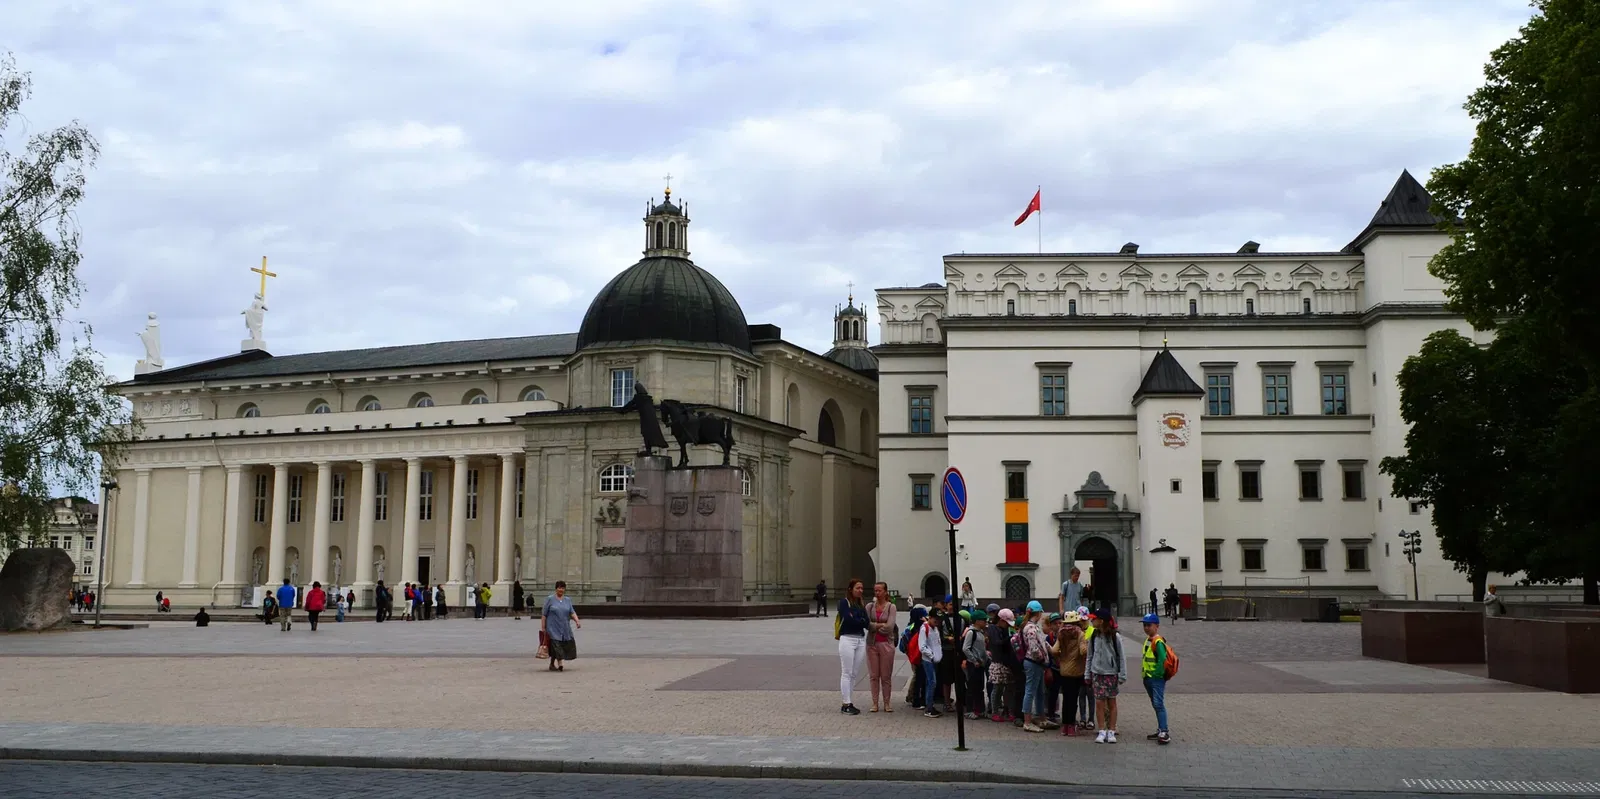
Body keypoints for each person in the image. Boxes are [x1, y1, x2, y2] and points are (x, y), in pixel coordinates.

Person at [1086, 608, 1125, 743]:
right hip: (1097, 673)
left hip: (1111, 673)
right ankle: (1102, 730)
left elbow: (1121, 657)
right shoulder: (1093, 636)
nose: (1091, 621)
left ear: (1101, 621)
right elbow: (1089, 656)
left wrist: (1122, 675)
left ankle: (1111, 730)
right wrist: (1088, 673)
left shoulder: (1115, 637)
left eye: (1094, 619)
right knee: (1099, 703)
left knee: (1112, 702)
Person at [836, 578, 869, 716]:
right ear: (850, 589)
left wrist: (859, 620)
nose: (860, 590)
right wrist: (859, 620)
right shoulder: (844, 603)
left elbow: (866, 622)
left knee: (854, 673)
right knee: (847, 672)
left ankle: (849, 701)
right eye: (857, 588)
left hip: (860, 639)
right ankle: (846, 703)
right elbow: (849, 620)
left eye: (861, 588)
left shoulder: (861, 604)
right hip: (847, 638)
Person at [1018, 601, 1051, 733]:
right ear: (1038, 613)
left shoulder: (1029, 626)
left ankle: (1041, 718)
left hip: (1035, 663)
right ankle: (1027, 721)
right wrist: (1042, 659)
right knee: (1030, 691)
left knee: (1039, 691)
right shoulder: (1031, 628)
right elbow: (1033, 648)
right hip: (1033, 662)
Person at [1053, 610, 1088, 736]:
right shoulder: (1080, 634)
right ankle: (1072, 726)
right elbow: (1083, 651)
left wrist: (1061, 659)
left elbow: (1054, 650)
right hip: (1076, 671)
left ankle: (1065, 727)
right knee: (1073, 699)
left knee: (1066, 698)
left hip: (1064, 670)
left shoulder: (1061, 634)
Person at [865, 581, 897, 713]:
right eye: (875, 590)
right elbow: (866, 624)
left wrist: (875, 626)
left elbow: (890, 627)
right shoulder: (869, 606)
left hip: (886, 644)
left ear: (885, 592)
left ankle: (887, 702)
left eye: (879, 590)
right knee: (873, 675)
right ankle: (874, 703)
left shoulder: (891, 607)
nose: (877, 593)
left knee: (886, 676)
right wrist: (879, 626)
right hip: (871, 644)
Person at [1141, 612, 1172, 745]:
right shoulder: (1148, 640)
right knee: (1155, 704)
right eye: (1145, 625)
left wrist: (1158, 675)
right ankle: (1160, 729)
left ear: (1156, 626)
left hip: (1156, 678)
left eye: (1149, 625)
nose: (1146, 628)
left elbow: (1163, 660)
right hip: (1148, 678)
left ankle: (1164, 731)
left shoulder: (1158, 641)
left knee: (1158, 704)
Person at [541, 580, 581, 671]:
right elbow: (544, 614)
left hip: (564, 627)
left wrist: (577, 621)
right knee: (556, 645)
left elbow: (572, 612)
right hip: (552, 627)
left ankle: (551, 664)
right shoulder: (550, 599)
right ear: (556, 589)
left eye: (562, 588)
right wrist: (543, 627)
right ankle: (560, 664)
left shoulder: (567, 600)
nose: (561, 590)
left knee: (560, 645)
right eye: (559, 588)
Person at [959, 608, 990, 719]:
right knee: (971, 687)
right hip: (973, 664)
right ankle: (969, 710)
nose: (985, 622)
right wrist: (973, 660)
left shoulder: (981, 633)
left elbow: (982, 649)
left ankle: (980, 709)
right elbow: (966, 648)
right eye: (983, 620)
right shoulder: (971, 633)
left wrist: (985, 658)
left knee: (979, 687)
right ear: (977, 621)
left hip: (981, 664)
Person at [915, 604, 943, 718]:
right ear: (930, 617)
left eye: (938, 619)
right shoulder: (924, 628)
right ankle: (929, 708)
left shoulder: (935, 628)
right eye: (935, 618)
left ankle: (929, 705)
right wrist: (931, 656)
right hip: (928, 660)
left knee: (930, 682)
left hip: (935, 659)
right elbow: (922, 646)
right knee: (932, 682)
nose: (937, 621)